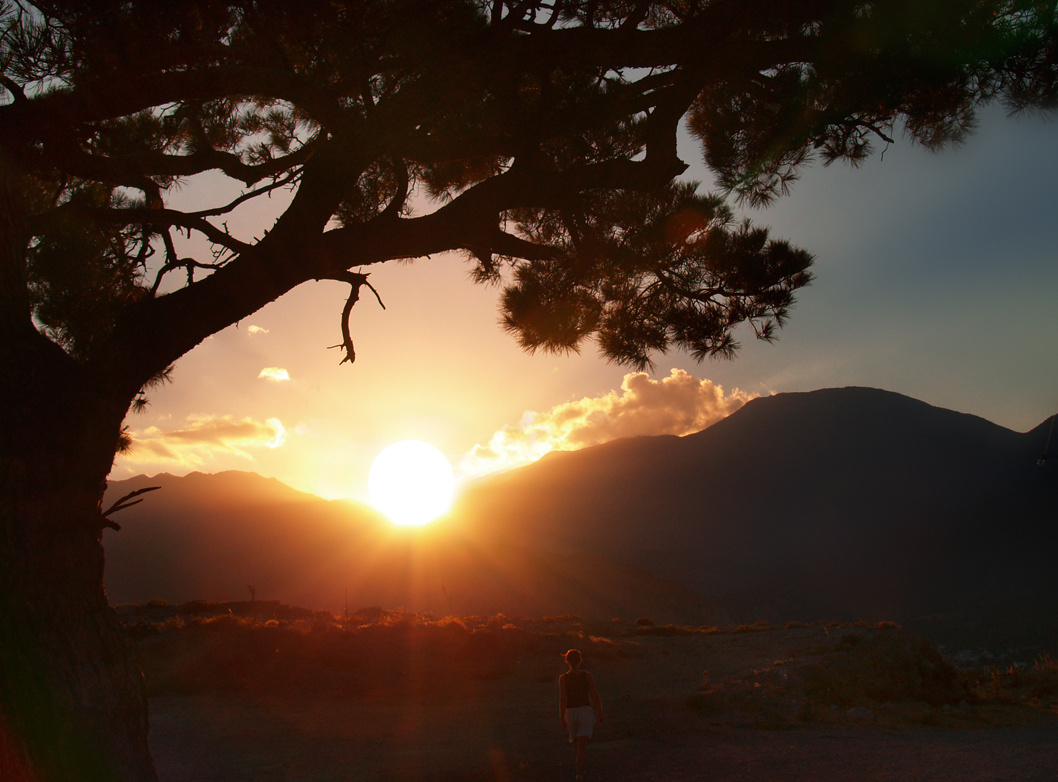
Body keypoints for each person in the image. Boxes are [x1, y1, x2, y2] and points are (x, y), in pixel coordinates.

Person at [559, 648, 604, 781]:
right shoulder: (586, 675)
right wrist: (600, 712)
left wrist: (561, 717)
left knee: (576, 743)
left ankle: (579, 771)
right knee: (582, 745)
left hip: (570, 713)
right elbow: (594, 695)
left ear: (567, 661)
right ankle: (580, 773)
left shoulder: (563, 678)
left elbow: (563, 699)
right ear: (580, 661)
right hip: (585, 711)